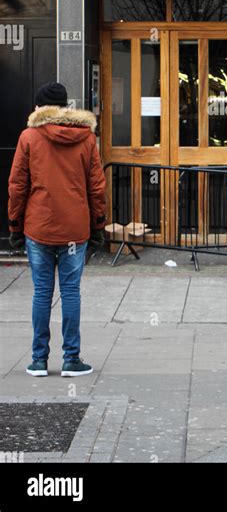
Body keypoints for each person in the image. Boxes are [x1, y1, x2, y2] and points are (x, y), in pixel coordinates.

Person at [8, 82, 107, 377]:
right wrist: (98, 224)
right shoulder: (86, 138)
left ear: (41, 108)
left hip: (38, 227)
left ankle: (39, 360)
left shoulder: (29, 137)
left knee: (41, 293)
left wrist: (15, 225)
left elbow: (17, 186)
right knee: (71, 292)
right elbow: (97, 186)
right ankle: (71, 359)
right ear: (65, 107)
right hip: (75, 229)